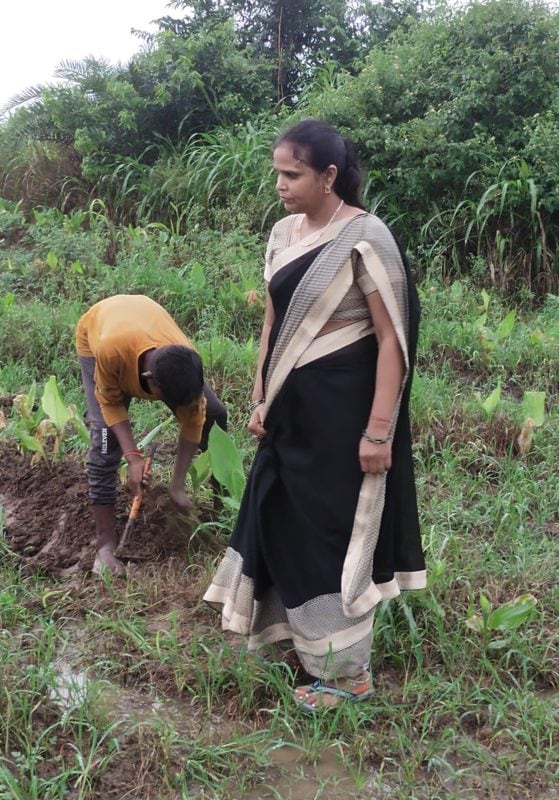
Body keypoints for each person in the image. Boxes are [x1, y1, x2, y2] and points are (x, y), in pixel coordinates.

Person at [202, 119, 425, 710]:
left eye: (292, 174)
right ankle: (298, 639)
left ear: (329, 176)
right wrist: (259, 397)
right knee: (278, 516)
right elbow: (273, 324)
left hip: (341, 417)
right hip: (289, 414)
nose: (280, 184)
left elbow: (391, 342)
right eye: (277, 172)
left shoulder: (366, 237)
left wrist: (378, 432)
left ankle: (348, 673)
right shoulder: (283, 233)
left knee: (328, 534)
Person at [76, 294, 228, 576]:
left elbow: (194, 420)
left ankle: (222, 508)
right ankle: (105, 544)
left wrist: (178, 486)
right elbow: (110, 403)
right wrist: (133, 458)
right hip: (99, 328)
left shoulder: (184, 358)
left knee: (215, 415)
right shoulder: (111, 352)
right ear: (149, 383)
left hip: (144, 318)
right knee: (105, 445)